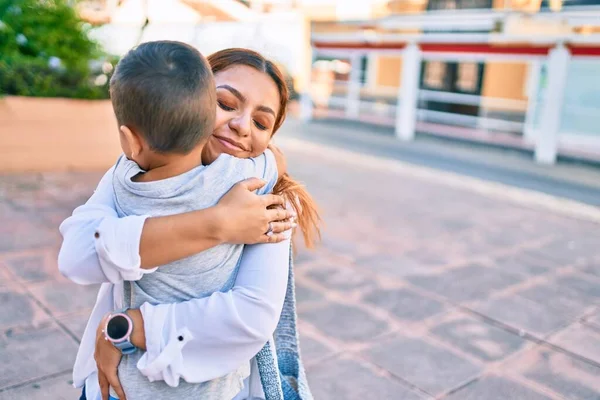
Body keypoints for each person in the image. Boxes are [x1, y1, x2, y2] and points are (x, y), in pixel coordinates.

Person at [58, 46, 320, 400]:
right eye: (225, 104)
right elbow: (76, 256)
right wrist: (218, 223)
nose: (242, 126)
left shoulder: (267, 198)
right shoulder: (133, 173)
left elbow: (251, 315)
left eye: (261, 123)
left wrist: (126, 328)